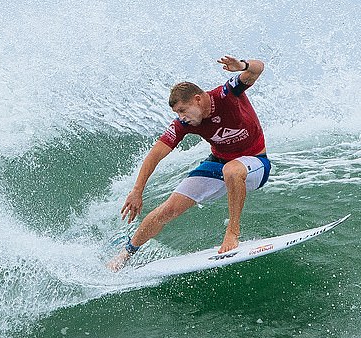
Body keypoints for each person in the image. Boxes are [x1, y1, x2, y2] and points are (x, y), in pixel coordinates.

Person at [107, 55, 270, 272]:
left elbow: (258, 69)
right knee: (168, 210)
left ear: (198, 99)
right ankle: (126, 253)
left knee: (232, 169)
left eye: (182, 111)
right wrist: (137, 191)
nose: (181, 117)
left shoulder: (226, 94)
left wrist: (242, 67)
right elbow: (155, 154)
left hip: (255, 162)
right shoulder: (184, 124)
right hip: (217, 163)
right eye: (177, 114)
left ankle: (232, 232)